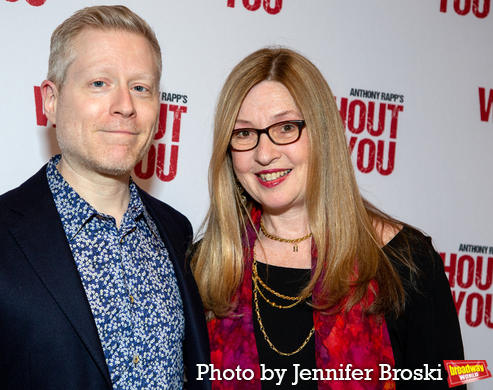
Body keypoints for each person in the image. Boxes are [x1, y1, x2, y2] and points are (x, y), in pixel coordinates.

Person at [0, 5, 210, 390]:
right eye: (99, 83)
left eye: (140, 87)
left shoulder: (177, 231)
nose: (125, 106)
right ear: (51, 100)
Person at [190, 47, 465, 389]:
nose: (264, 153)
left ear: (323, 134)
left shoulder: (406, 262)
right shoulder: (205, 268)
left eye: (286, 127)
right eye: (244, 133)